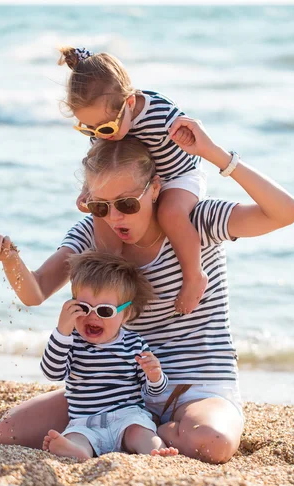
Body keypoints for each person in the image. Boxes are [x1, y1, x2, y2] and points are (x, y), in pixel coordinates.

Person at [0, 116, 294, 463]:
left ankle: (141, 435)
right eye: (102, 206)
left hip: (199, 385)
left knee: (213, 443)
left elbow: (285, 213)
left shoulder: (196, 221)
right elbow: (36, 291)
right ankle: (131, 435)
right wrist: (9, 258)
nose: (115, 217)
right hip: (117, 390)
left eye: (127, 204)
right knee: (6, 433)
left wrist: (215, 154)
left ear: (156, 188)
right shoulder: (91, 234)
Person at [58, 45, 208, 314]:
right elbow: (99, 159)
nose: (99, 135)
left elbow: (196, 135)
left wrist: (190, 136)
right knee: (102, 219)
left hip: (178, 176)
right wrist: (87, 190)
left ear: (129, 103)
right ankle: (111, 295)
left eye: (105, 128)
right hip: (138, 183)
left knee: (171, 213)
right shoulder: (103, 126)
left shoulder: (161, 114)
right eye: (88, 129)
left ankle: (194, 275)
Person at [40, 250, 178, 459]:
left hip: (127, 417)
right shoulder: (71, 341)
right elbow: (52, 372)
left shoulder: (134, 344)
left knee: (141, 431)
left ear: (126, 313)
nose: (93, 317)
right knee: (76, 436)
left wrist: (155, 376)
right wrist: (62, 331)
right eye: (84, 308)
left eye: (105, 311)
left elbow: (154, 393)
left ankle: (154, 451)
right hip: (85, 421)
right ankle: (78, 452)